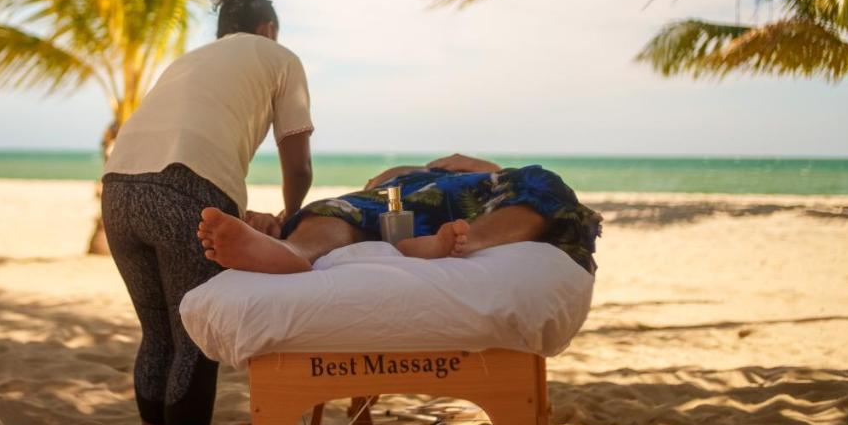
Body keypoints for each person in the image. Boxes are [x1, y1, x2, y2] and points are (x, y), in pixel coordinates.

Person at [100, 0, 314, 425]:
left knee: (157, 338)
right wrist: (290, 216)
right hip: (184, 191)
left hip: (117, 190)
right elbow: (298, 166)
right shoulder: (280, 58)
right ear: (267, 27)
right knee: (195, 340)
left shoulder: (186, 62)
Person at [198, 153, 600, 275]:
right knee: (337, 211)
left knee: (343, 210)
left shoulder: (479, 176)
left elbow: (499, 177)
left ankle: (462, 239)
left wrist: (465, 165)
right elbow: (368, 192)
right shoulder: (474, 176)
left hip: (455, 208)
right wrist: (277, 221)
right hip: (387, 204)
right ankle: (292, 250)